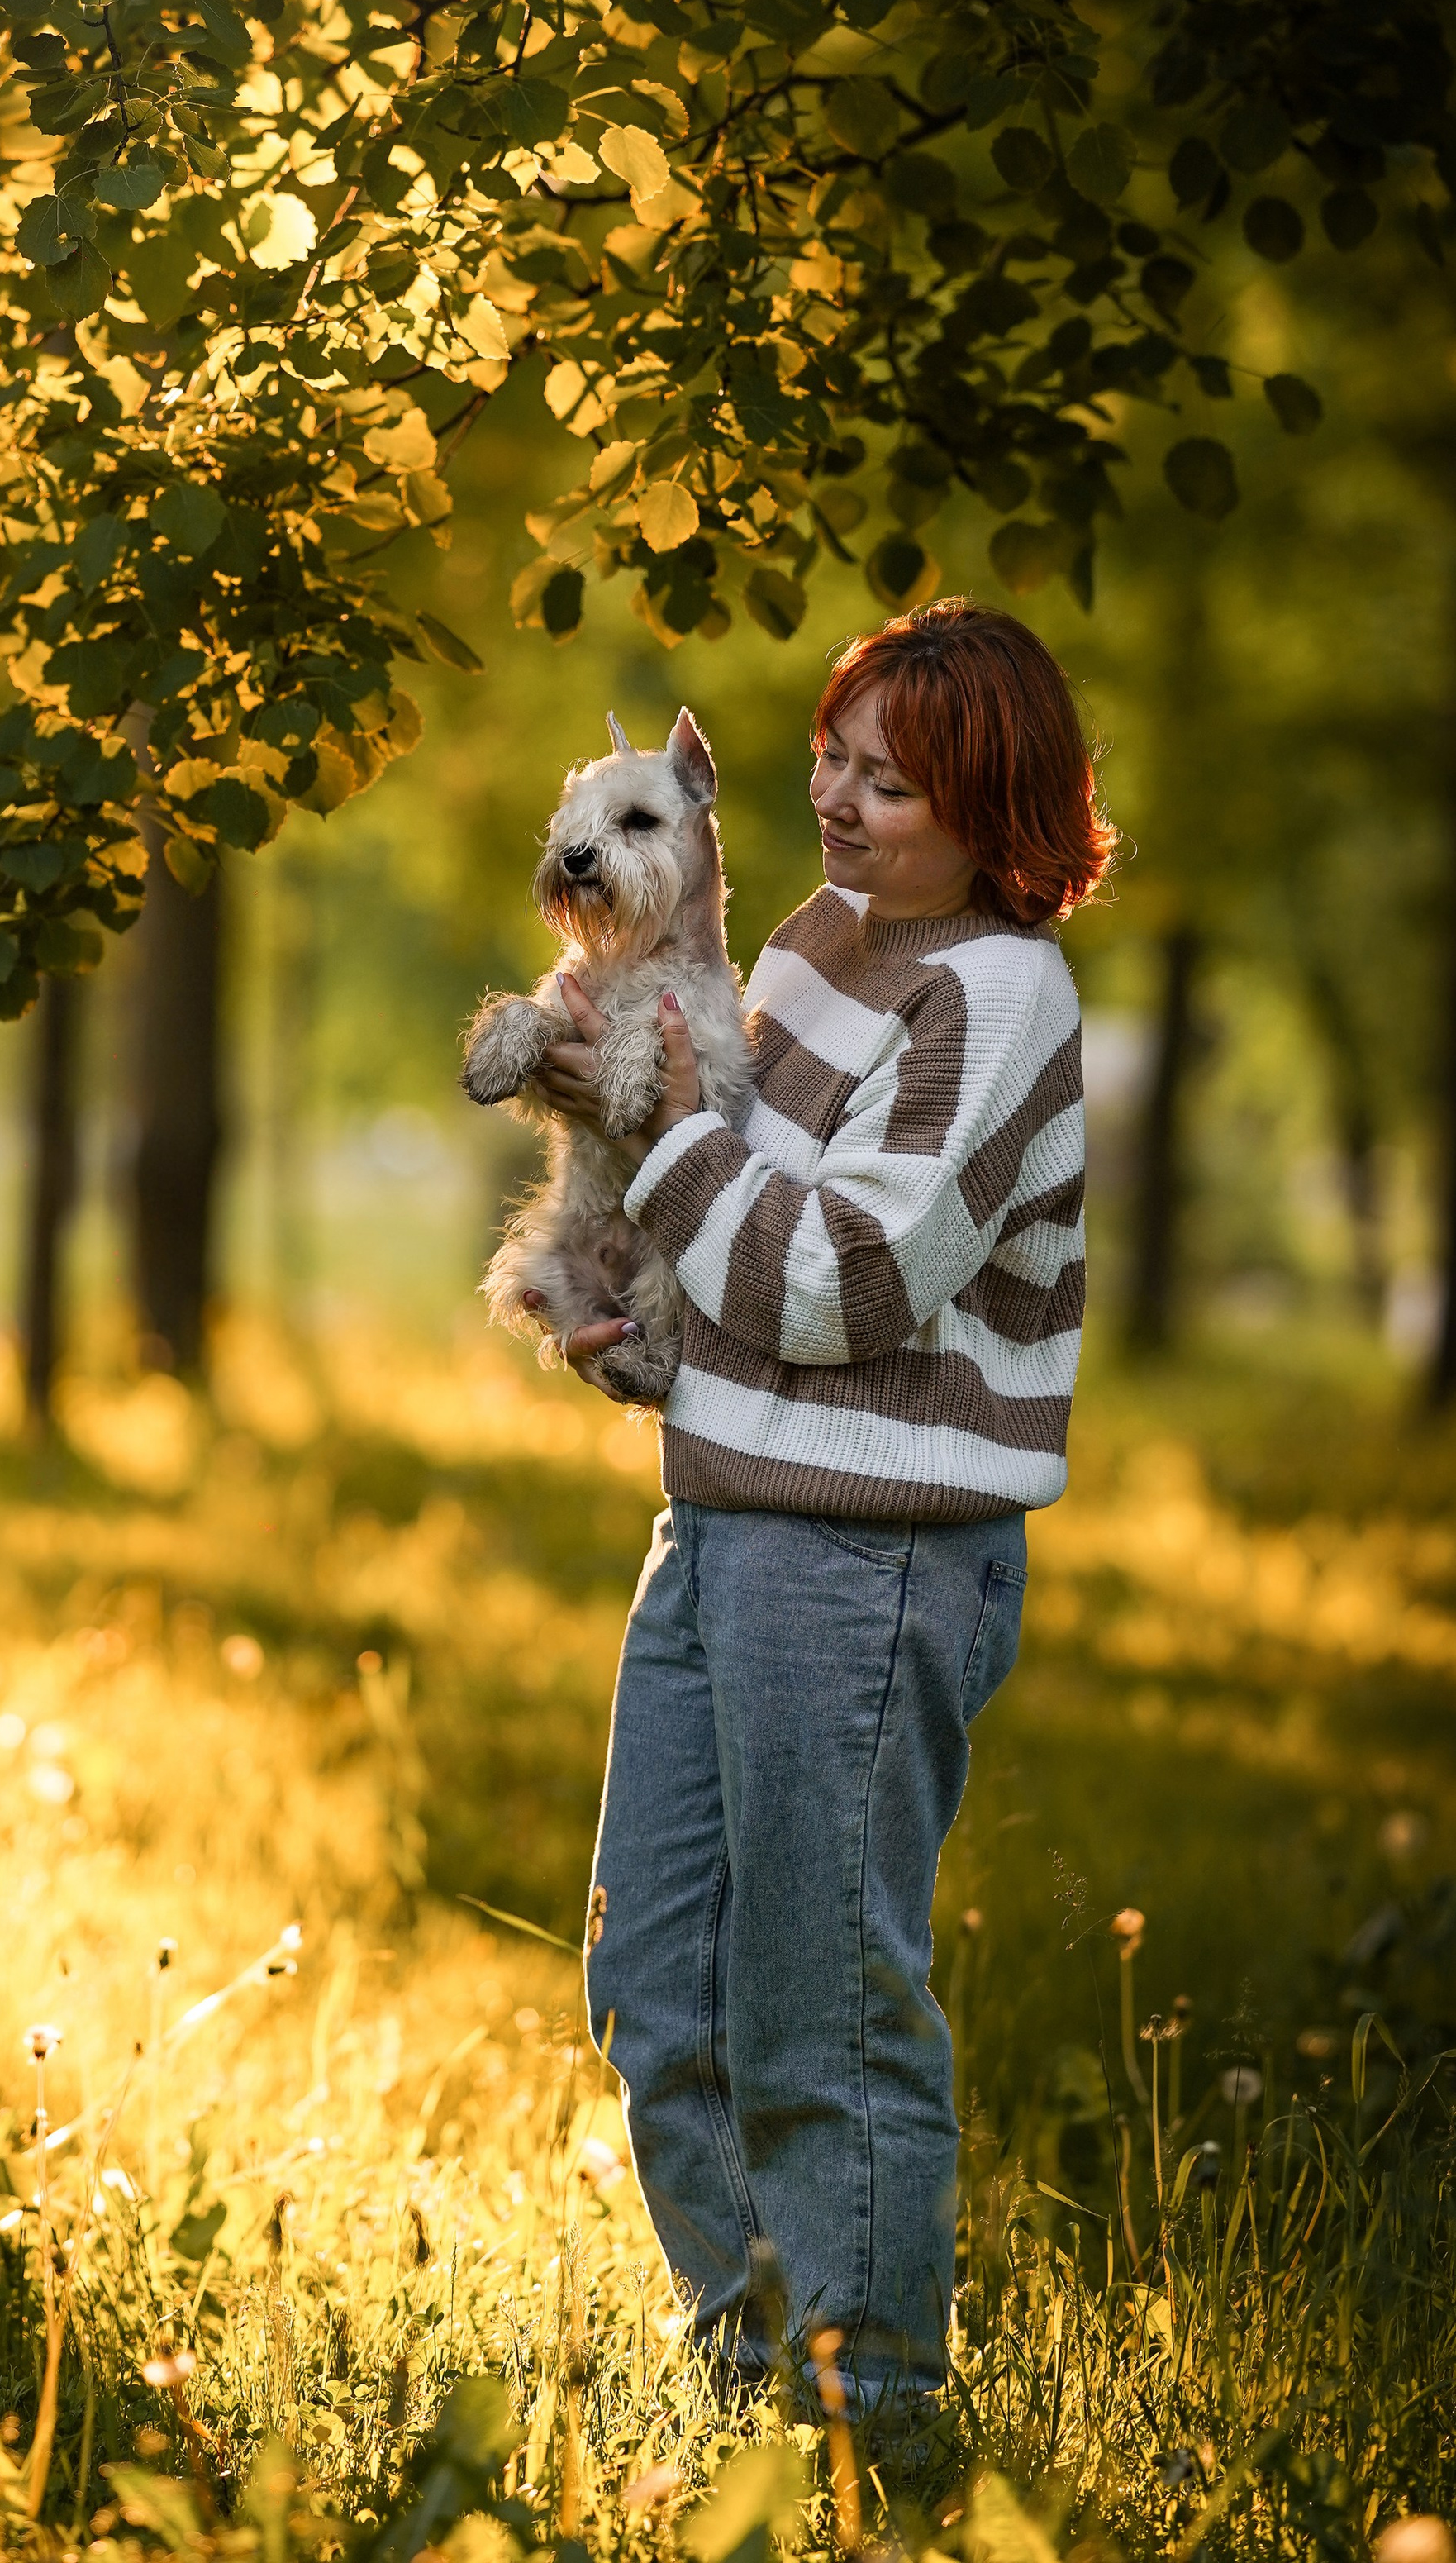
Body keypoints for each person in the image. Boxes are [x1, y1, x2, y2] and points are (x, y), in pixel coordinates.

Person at [534, 598, 1114, 2427]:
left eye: (890, 784)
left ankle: (873, 2428)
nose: (839, 806)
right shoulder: (813, 942)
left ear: (992, 809)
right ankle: (761, 2393)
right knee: (656, 1989)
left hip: (869, 1555)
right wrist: (635, 1325)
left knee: (820, 2011)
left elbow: (838, 1280)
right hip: (721, 1519)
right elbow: (726, 1221)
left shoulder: (995, 998)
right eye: (830, 764)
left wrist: (667, 1130)